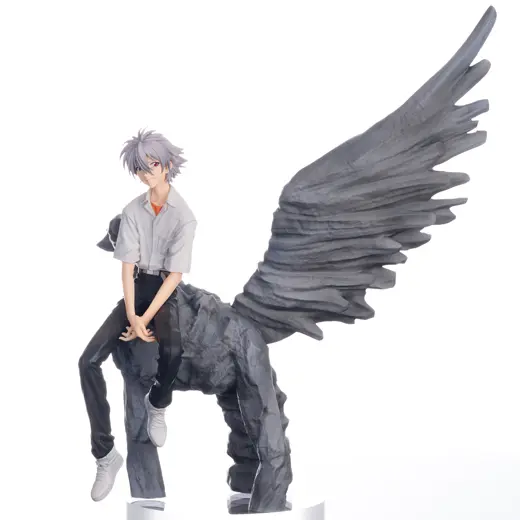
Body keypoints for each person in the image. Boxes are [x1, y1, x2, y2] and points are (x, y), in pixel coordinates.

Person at [78, 128, 197, 502]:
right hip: (136, 290)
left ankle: (158, 404)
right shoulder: (131, 211)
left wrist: (148, 319)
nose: (146, 175)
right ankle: (105, 454)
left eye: (152, 167)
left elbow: (174, 276)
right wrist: (133, 315)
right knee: (87, 361)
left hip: (164, 291)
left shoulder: (185, 217)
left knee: (173, 350)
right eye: (140, 170)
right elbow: (127, 268)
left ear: (167, 165)